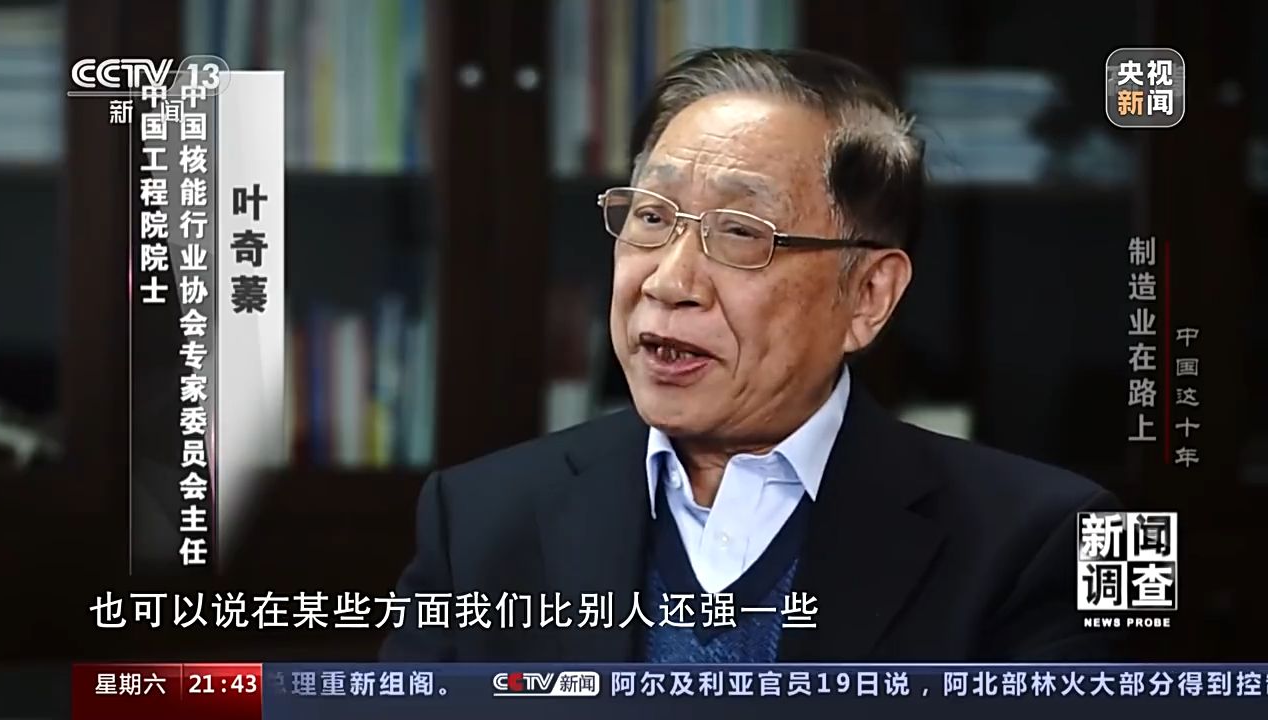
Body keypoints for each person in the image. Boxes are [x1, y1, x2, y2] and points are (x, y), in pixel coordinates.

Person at [381, 47, 1120, 663]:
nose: (668, 282)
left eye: (740, 232)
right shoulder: (479, 520)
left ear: (868, 295)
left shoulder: (1038, 541)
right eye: (650, 217)